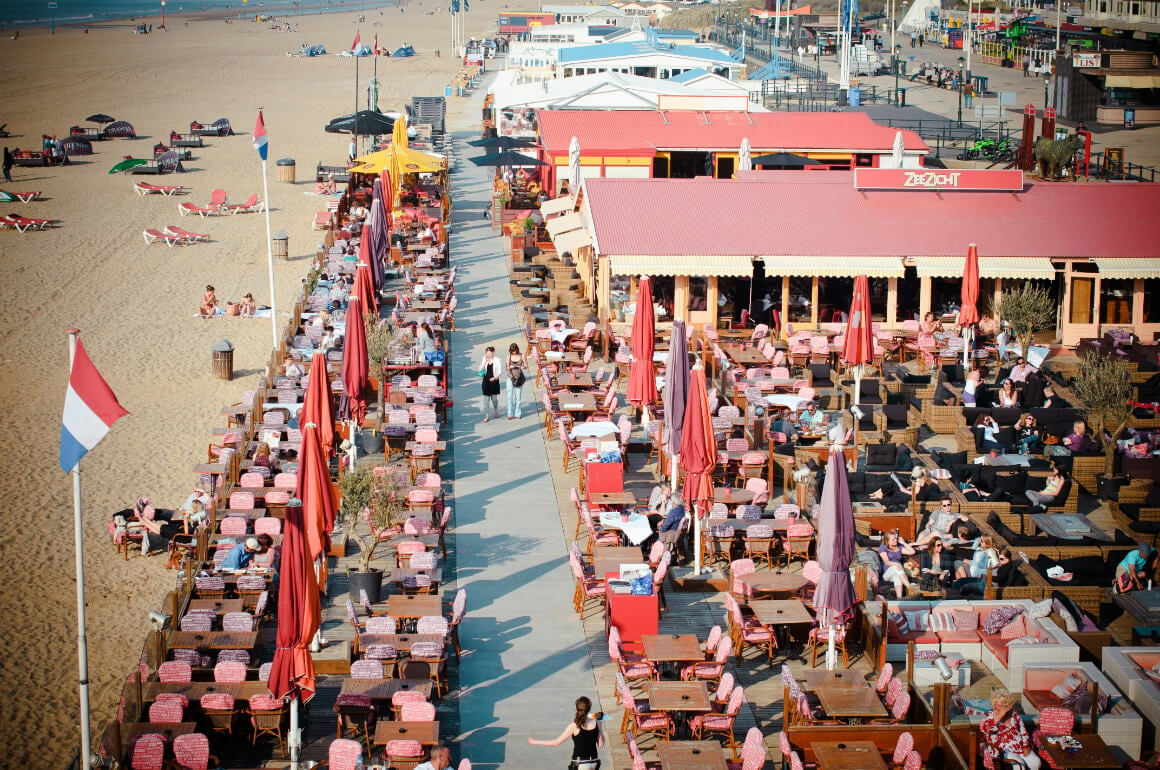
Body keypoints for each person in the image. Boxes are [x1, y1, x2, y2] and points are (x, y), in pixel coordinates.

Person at [527, 695, 604, 770]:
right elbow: (601, 745)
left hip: (580, 763)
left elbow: (556, 742)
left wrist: (535, 741)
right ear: (589, 708)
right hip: (594, 762)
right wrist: (600, 728)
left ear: (576, 708)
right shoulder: (597, 723)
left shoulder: (574, 726)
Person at [979, 688, 1041, 770]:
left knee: (1036, 763)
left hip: (1019, 746)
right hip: (1003, 750)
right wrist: (1000, 715)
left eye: (1003, 705)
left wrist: (1026, 746)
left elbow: (1023, 732)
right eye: (998, 705)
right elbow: (983, 728)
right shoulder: (990, 716)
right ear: (994, 704)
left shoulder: (1014, 714)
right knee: (1019, 765)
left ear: (1008, 705)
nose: (1000, 708)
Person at [878, 531, 916, 598]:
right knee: (896, 567)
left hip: (898, 572)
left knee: (897, 578)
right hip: (887, 574)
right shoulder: (883, 547)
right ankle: (910, 587)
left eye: (896, 538)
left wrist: (903, 543)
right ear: (887, 541)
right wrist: (897, 564)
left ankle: (899, 598)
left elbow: (912, 552)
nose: (896, 540)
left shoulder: (898, 547)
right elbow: (887, 562)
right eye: (893, 539)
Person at [477, 346, 501, 422]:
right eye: (487, 353)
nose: (488, 355)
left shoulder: (497, 360)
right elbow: (480, 369)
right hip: (486, 381)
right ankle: (486, 416)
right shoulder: (484, 359)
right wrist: (484, 361)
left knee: (494, 399)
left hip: (494, 381)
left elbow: (500, 372)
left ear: (493, 352)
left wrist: (494, 377)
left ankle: (495, 410)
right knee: (486, 400)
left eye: (489, 353)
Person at [505, 342, 527, 420]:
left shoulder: (522, 355)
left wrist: (523, 367)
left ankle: (518, 414)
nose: (514, 352)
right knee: (509, 396)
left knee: (518, 397)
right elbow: (507, 367)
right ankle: (510, 414)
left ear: (517, 350)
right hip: (510, 377)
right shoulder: (509, 356)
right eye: (512, 351)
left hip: (519, 377)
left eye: (515, 351)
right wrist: (510, 367)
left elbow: (526, 365)